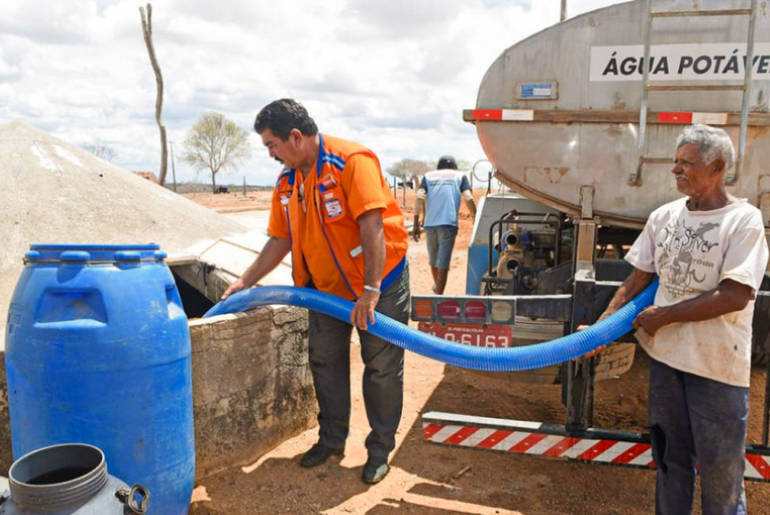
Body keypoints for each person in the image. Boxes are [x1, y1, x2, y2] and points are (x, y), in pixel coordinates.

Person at [222, 99, 410, 484]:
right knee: (325, 363)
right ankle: (331, 440)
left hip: (378, 287)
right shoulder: (288, 182)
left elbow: (372, 225)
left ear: (295, 136)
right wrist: (246, 280)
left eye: (272, 145)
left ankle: (378, 450)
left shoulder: (351, 161)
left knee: (381, 369)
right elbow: (280, 239)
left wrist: (371, 293)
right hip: (324, 293)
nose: (271, 154)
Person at [591, 124, 768, 514]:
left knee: (722, 476)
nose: (675, 170)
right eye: (675, 162)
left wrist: (664, 317)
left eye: (686, 163)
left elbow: (736, 294)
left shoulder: (744, 221)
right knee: (671, 464)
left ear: (718, 166)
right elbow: (639, 278)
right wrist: (600, 329)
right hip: (667, 362)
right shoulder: (664, 216)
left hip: (716, 369)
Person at [412, 156, 476, 294]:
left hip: (430, 223)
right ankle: (439, 292)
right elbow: (468, 197)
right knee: (443, 259)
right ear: (454, 166)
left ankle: (437, 289)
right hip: (448, 222)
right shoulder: (460, 176)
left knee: (433, 258)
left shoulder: (428, 176)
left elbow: (419, 196)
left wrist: (416, 222)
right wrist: (475, 216)